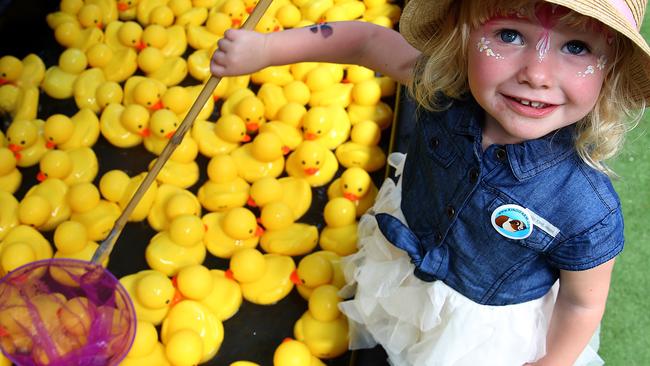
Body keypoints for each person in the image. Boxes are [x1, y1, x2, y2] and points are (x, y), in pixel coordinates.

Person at [211, 0, 650, 365]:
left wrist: (551, 363)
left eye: (576, 46)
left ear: (609, 69)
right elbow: (367, 42)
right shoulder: (444, 89)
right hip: (408, 259)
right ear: (463, 34)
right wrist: (267, 48)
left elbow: (581, 302)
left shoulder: (587, 209)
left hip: (481, 326)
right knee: (396, 328)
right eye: (510, 35)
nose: (536, 73)